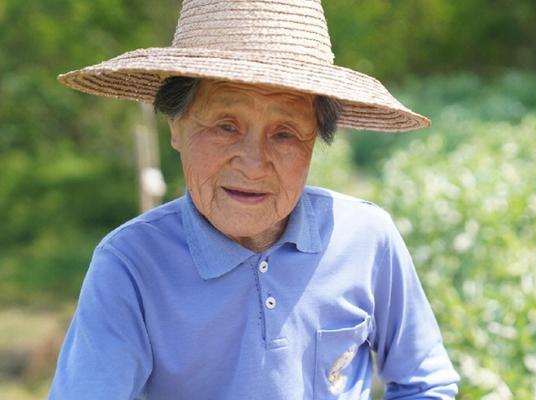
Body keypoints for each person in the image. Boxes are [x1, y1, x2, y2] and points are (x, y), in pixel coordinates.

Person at [48, 1, 459, 399]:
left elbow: (425, 384)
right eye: (226, 126)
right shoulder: (132, 263)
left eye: (284, 134)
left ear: (314, 140)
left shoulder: (367, 239)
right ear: (176, 125)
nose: (253, 163)